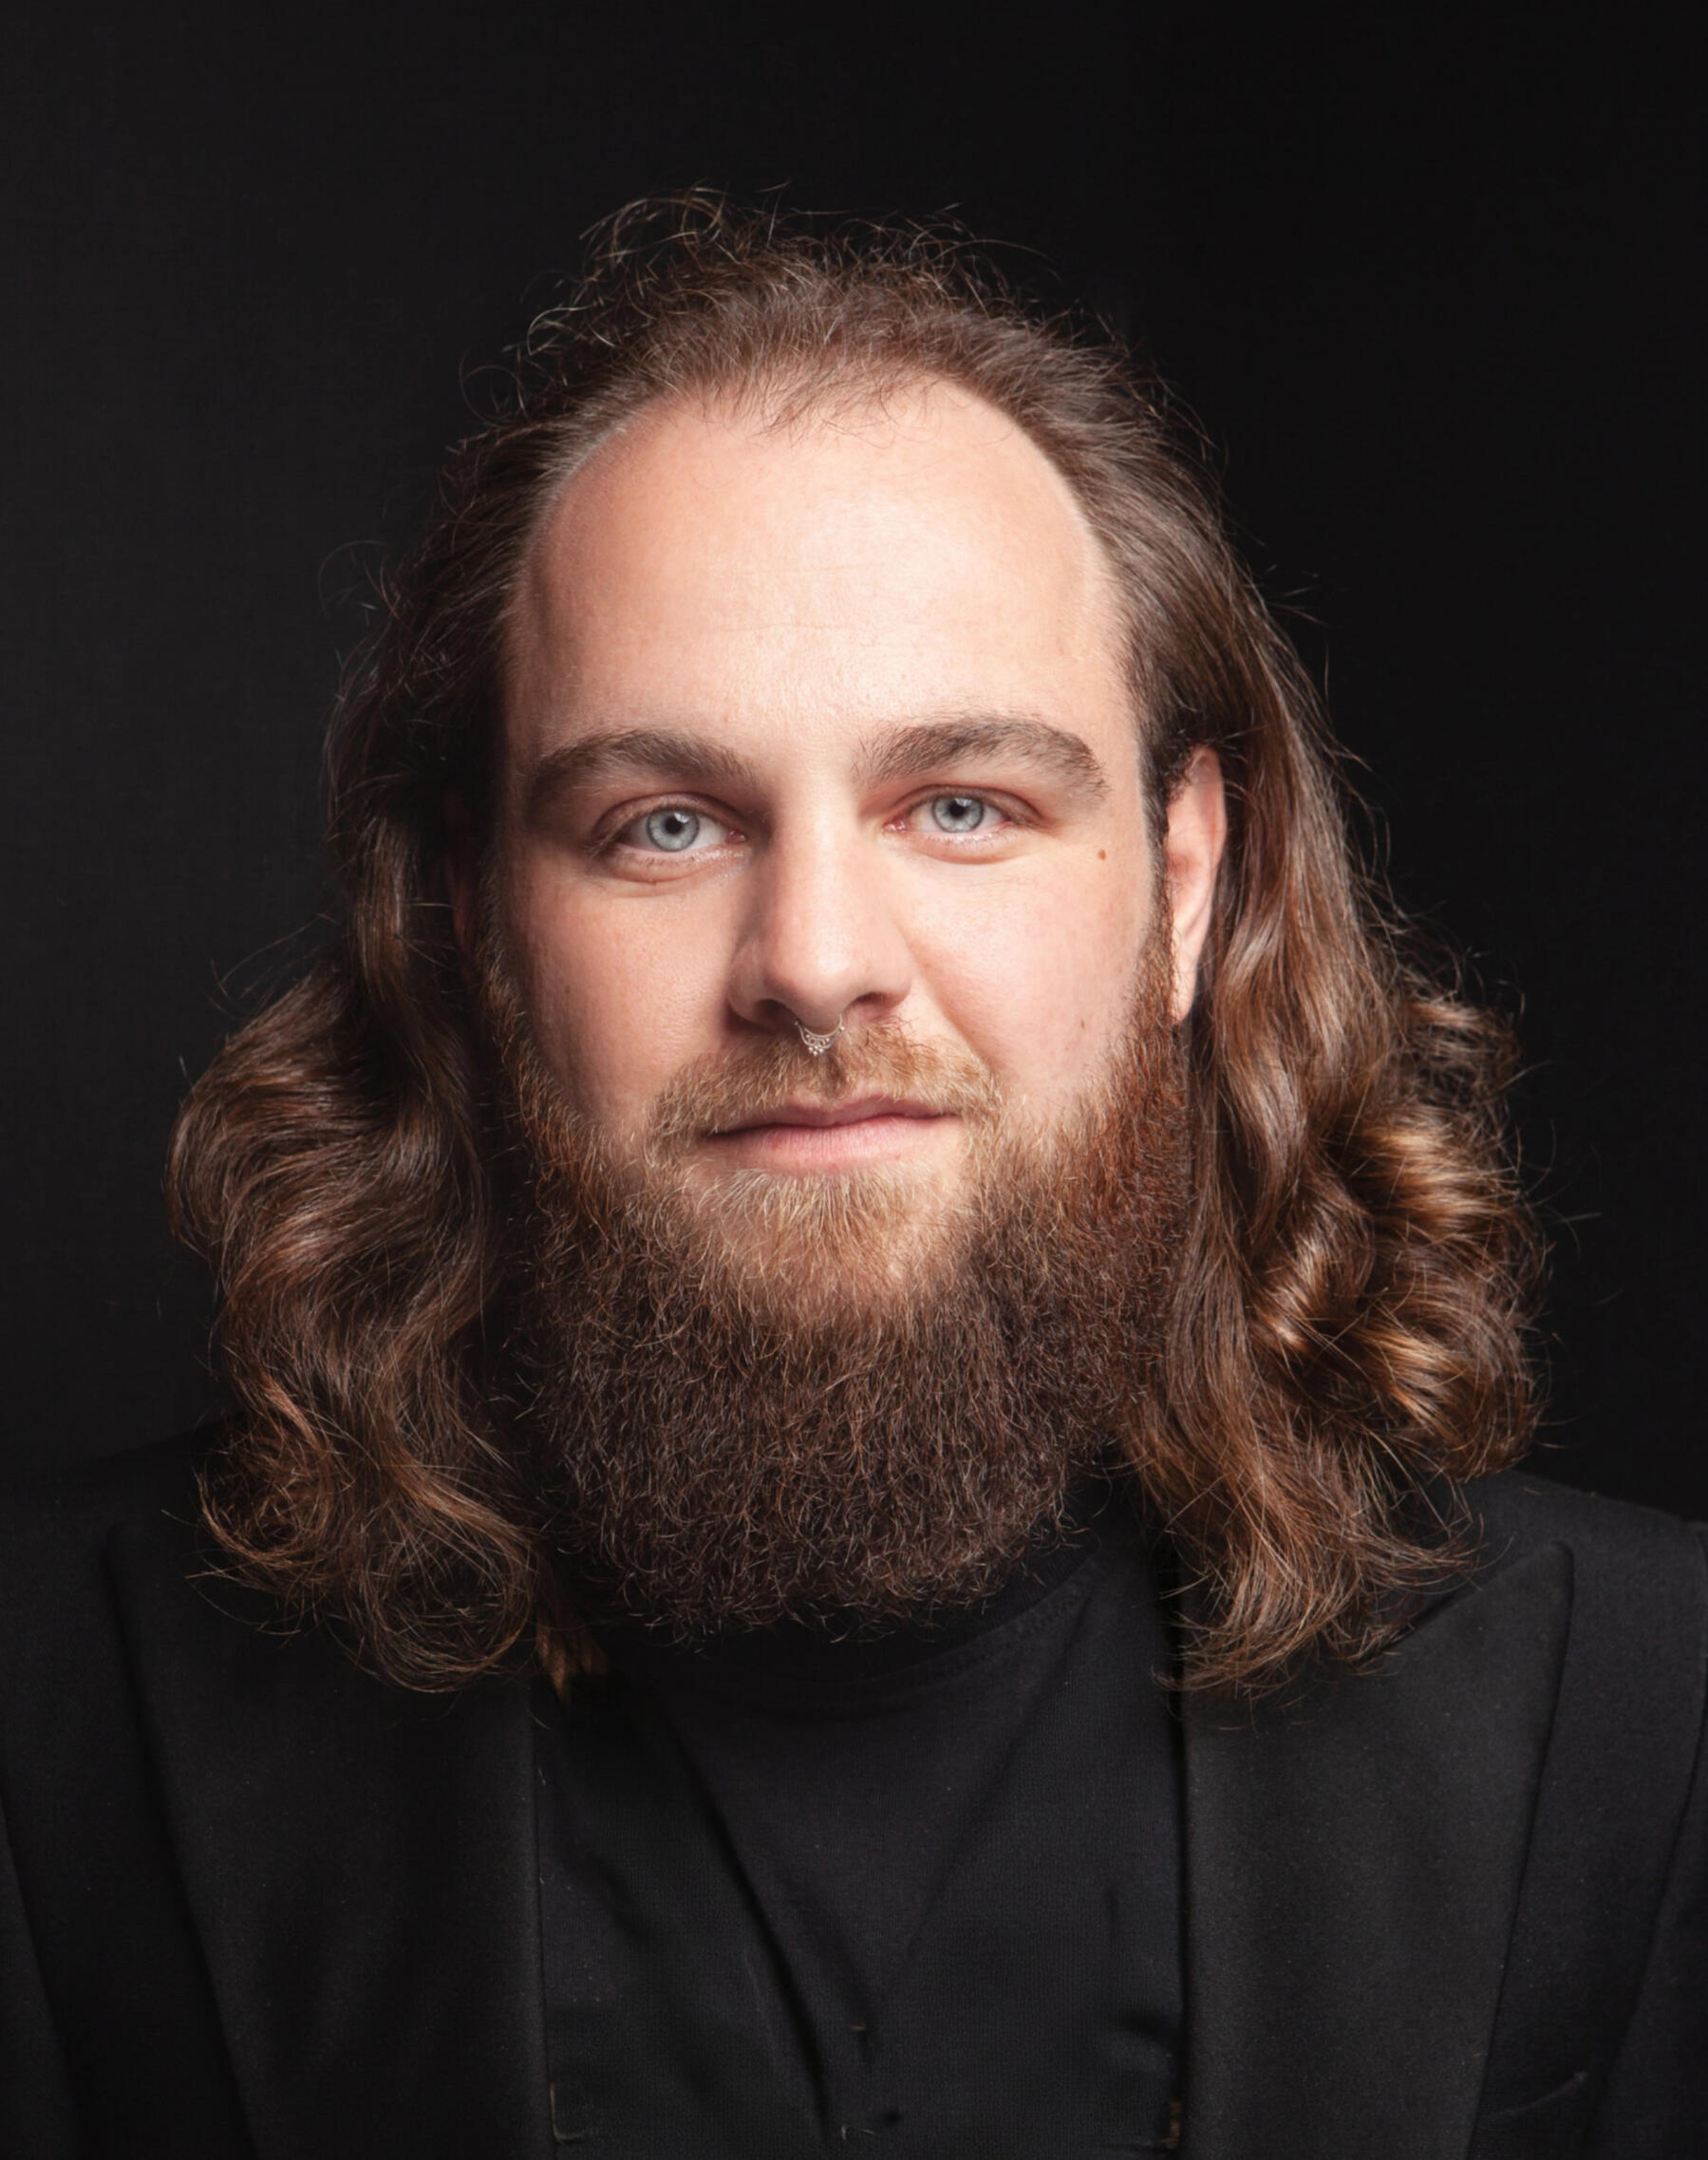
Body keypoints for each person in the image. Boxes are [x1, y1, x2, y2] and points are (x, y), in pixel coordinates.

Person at [2, 199, 1702, 2160]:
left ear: (1181, 880)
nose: (814, 962)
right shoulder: (46, 1717)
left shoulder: (1654, 1715)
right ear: (476, 918)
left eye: (962, 805)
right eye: (664, 824)